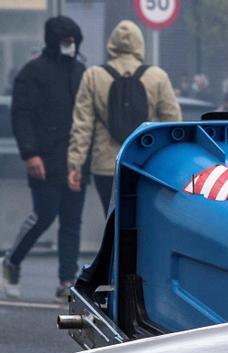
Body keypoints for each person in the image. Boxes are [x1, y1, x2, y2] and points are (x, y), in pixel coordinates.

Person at [3, 15, 87, 300]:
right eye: (66, 41)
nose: (71, 46)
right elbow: (21, 115)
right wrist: (30, 153)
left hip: (75, 160)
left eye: (74, 41)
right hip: (44, 158)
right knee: (44, 215)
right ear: (54, 42)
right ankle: (11, 262)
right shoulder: (33, 71)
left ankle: (66, 281)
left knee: (72, 222)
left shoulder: (81, 72)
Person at [66, 20, 181, 214]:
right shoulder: (157, 76)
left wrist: (75, 164)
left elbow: (82, 126)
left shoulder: (93, 76)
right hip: (145, 165)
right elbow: (174, 123)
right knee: (142, 221)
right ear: (140, 43)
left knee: (113, 221)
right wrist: (174, 166)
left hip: (107, 166)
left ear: (111, 44)